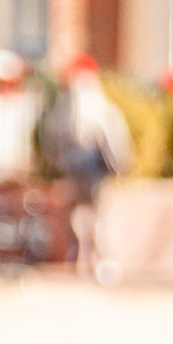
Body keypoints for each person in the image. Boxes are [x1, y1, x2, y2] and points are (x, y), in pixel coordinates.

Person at [39, 53, 134, 278]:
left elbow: (51, 141)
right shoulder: (96, 107)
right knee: (92, 216)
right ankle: (93, 258)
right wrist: (119, 164)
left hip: (82, 169)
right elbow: (113, 139)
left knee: (84, 215)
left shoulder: (68, 109)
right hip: (89, 169)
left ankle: (85, 257)